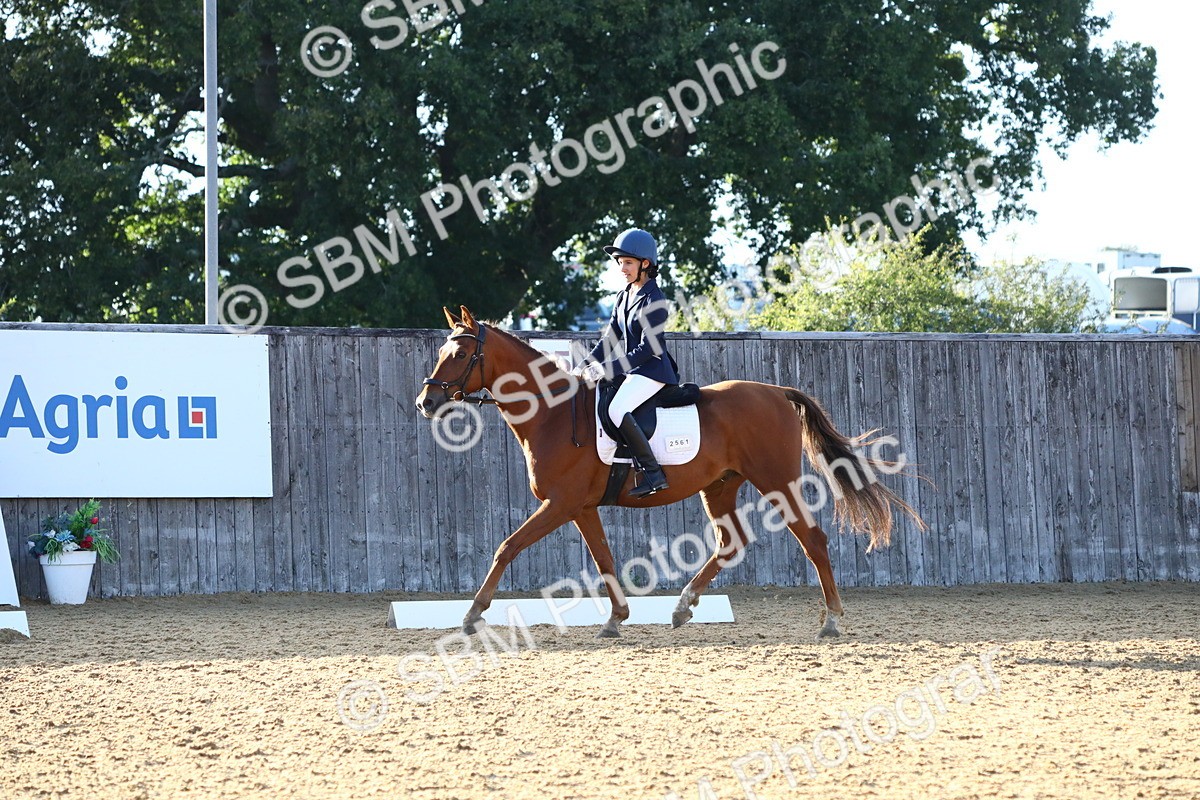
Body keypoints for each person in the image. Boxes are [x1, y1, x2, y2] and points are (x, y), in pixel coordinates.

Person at [575, 228, 679, 498]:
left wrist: (607, 369)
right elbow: (609, 339)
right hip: (633, 370)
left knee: (618, 409)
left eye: (628, 263)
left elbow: (648, 348)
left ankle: (653, 473)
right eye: (620, 263)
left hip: (653, 370)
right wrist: (583, 366)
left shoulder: (655, 299)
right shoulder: (624, 296)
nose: (623, 268)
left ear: (646, 264)